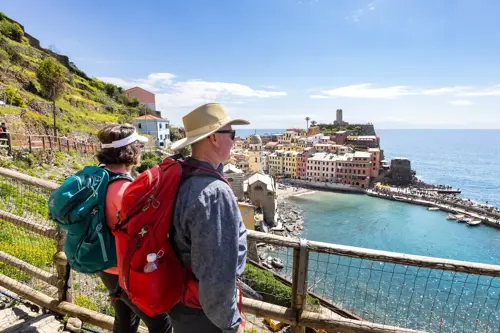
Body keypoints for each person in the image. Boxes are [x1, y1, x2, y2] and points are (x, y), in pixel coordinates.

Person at [168, 103, 249, 333]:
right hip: (204, 314)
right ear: (213, 138)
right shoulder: (214, 192)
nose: (234, 140)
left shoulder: (182, 175)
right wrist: (232, 324)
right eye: (231, 134)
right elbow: (216, 273)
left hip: (181, 301)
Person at [96, 124, 172, 333]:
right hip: (124, 271)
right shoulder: (125, 190)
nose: (140, 149)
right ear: (130, 151)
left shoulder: (100, 178)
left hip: (106, 265)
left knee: (125, 319)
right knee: (160, 323)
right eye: (137, 145)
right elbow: (139, 232)